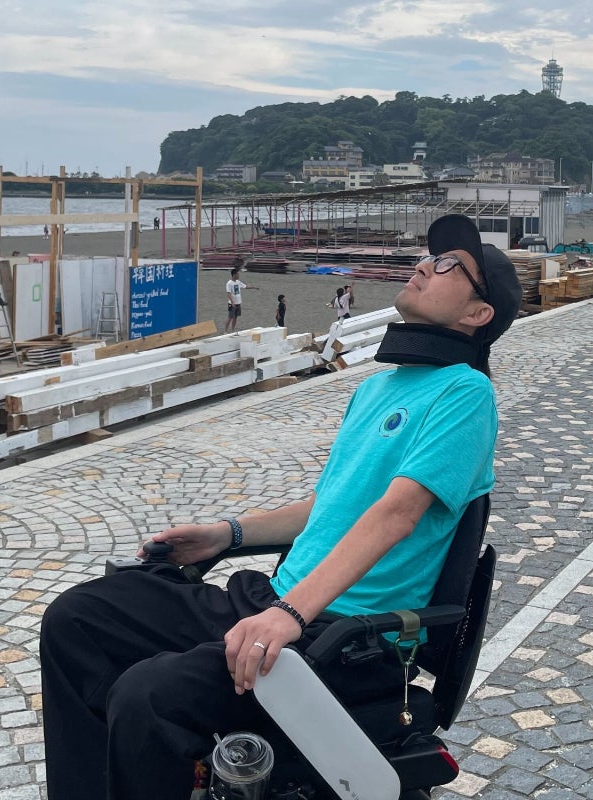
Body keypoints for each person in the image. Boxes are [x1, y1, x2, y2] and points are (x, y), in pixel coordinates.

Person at [39, 213, 522, 800]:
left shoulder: (466, 393)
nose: (424, 265)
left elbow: (398, 514)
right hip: (276, 602)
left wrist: (290, 614)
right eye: (430, 256)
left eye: (449, 266)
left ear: (478, 315)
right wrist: (227, 535)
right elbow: (330, 506)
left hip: (345, 639)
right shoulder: (378, 388)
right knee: (77, 618)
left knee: (149, 696)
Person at [225, 267, 248, 332]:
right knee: (230, 317)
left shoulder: (238, 282)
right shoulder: (229, 283)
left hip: (238, 303)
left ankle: (233, 329)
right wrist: (232, 302)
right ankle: (225, 331)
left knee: (235, 317)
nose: (238, 275)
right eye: (237, 274)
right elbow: (228, 294)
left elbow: (245, 286)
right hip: (232, 304)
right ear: (234, 274)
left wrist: (254, 287)